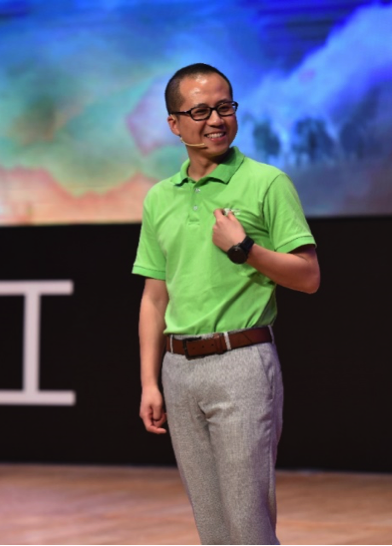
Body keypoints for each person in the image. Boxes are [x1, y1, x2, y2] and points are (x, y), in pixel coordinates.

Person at [133, 63, 320, 544]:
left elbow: (308, 277)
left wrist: (245, 249)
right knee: (213, 527)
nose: (216, 120)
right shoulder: (160, 198)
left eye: (224, 107)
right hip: (178, 369)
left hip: (241, 360)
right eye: (200, 111)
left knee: (247, 523)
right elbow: (154, 297)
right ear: (174, 124)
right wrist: (149, 382)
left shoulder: (266, 182)